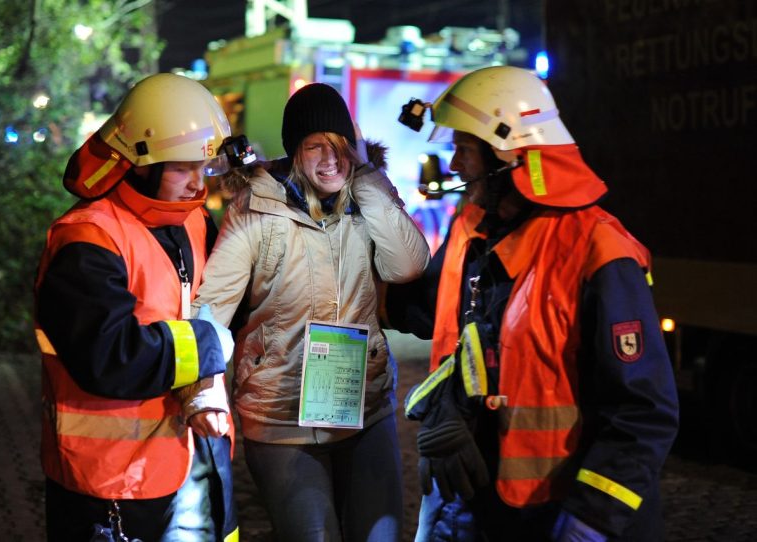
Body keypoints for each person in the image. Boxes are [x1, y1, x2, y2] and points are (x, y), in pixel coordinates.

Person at [386, 65, 680, 541]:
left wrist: (591, 521)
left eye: (463, 149)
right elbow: (417, 308)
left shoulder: (597, 249)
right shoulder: (472, 233)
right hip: (487, 507)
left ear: (508, 154)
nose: (454, 165)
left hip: (566, 513)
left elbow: (644, 411)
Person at [186, 82, 430, 542]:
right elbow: (212, 307)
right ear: (294, 150)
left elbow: (408, 265)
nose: (330, 159)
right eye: (315, 146)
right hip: (282, 417)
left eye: (339, 147)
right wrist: (204, 391)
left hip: (364, 407)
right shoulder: (256, 207)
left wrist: (371, 178)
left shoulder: (366, 198)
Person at [34, 73, 239, 542]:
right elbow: (111, 355)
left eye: (203, 167)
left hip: (195, 459)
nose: (197, 184)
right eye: (182, 168)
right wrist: (208, 342)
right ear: (139, 164)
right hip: (111, 484)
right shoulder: (87, 239)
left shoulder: (192, 223)